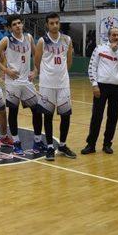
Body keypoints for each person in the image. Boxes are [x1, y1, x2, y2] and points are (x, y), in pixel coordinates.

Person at [0, 15, 45, 155]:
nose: (18, 26)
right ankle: (16, 143)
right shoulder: (7, 40)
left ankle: (37, 142)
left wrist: (36, 70)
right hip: (13, 82)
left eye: (19, 23)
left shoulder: (29, 38)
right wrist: (6, 70)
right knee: (13, 112)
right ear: (10, 27)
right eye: (14, 24)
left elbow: (36, 54)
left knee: (37, 111)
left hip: (27, 81)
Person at [34, 12, 77, 161]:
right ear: (47, 24)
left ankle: (63, 145)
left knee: (66, 115)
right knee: (48, 115)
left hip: (63, 83)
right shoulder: (42, 41)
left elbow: (69, 61)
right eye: (51, 23)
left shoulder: (67, 39)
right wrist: (47, 75)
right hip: (47, 84)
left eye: (57, 23)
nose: (54, 25)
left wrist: (61, 74)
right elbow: (37, 62)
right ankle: (50, 147)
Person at [82, 27, 118, 155]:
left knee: (113, 118)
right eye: (114, 35)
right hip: (101, 87)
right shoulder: (99, 49)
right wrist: (94, 85)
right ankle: (91, 144)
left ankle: (107, 144)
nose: (116, 37)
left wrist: (117, 53)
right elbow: (92, 67)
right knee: (96, 117)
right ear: (109, 36)